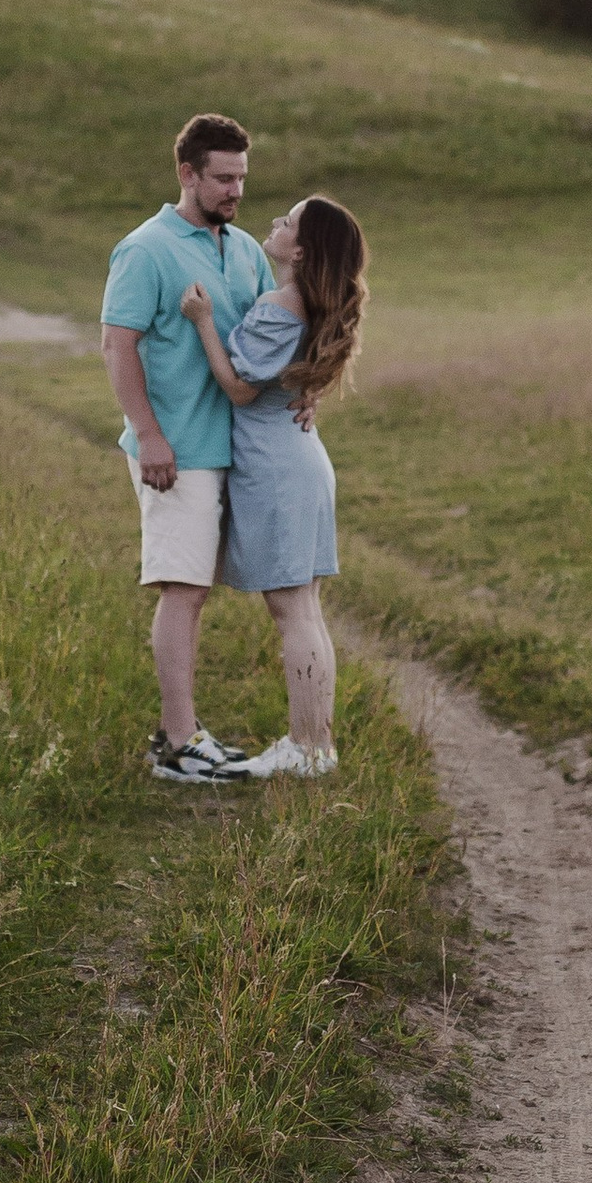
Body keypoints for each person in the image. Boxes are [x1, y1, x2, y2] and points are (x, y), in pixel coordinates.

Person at [98, 111, 275, 781]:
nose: (234, 191)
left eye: (241, 179)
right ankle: (178, 743)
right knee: (183, 590)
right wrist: (148, 435)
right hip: (175, 451)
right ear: (187, 174)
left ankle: (185, 735)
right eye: (222, 178)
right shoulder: (145, 249)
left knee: (197, 590)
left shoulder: (245, 248)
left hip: (233, 449)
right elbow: (118, 345)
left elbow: (265, 340)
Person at [180, 191, 367, 780]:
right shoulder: (306, 305)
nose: (275, 223)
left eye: (287, 222)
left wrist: (204, 320)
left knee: (293, 613)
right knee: (304, 609)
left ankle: (305, 749)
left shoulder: (280, 304)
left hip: (278, 469)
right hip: (299, 460)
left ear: (301, 250)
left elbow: (237, 388)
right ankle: (315, 746)